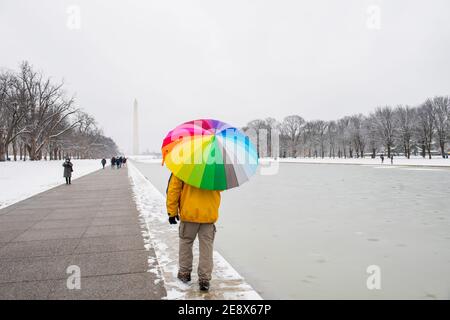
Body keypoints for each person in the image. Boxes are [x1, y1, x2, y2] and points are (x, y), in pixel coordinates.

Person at [166, 173, 221, 292]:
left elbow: (173, 189)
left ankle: (184, 274)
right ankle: (204, 279)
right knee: (206, 247)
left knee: (186, 243)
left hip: (189, 214)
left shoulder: (183, 166)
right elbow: (221, 187)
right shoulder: (216, 168)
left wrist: (172, 211)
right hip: (208, 215)